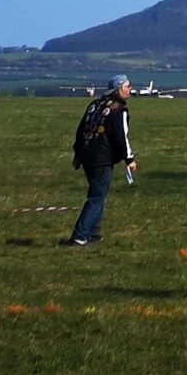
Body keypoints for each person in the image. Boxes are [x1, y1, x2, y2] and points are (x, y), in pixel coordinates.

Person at [65, 74, 136, 246]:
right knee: (96, 197)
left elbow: (82, 130)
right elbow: (121, 137)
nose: (130, 89)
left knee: (99, 194)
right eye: (127, 86)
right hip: (101, 158)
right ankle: (79, 236)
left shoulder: (94, 105)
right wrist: (129, 159)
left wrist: (78, 154)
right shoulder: (118, 110)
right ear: (119, 89)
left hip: (88, 156)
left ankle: (94, 234)